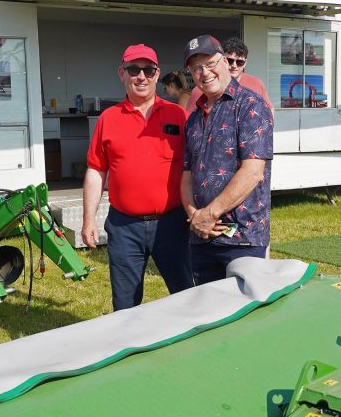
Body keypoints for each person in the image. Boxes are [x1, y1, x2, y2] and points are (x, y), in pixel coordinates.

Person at [82, 44, 193, 310]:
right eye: (134, 69)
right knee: (125, 303)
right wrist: (88, 219)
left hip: (172, 224)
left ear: (157, 75)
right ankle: (129, 348)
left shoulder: (178, 115)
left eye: (148, 70)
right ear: (122, 73)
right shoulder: (108, 119)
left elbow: (195, 166)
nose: (141, 76)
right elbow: (96, 171)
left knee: (186, 296)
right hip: (124, 228)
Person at [180, 34, 274, 285]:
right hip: (202, 236)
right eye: (196, 68)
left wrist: (208, 214)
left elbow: (253, 172)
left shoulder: (251, 106)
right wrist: (194, 216)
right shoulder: (193, 119)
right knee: (207, 314)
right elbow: (187, 174)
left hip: (241, 237)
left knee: (247, 317)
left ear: (224, 62)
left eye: (210, 64)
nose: (204, 73)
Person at [189, 37, 272, 110]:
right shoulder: (200, 89)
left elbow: (269, 109)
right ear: (224, 60)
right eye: (230, 61)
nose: (234, 66)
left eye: (240, 62)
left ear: (245, 63)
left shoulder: (256, 83)